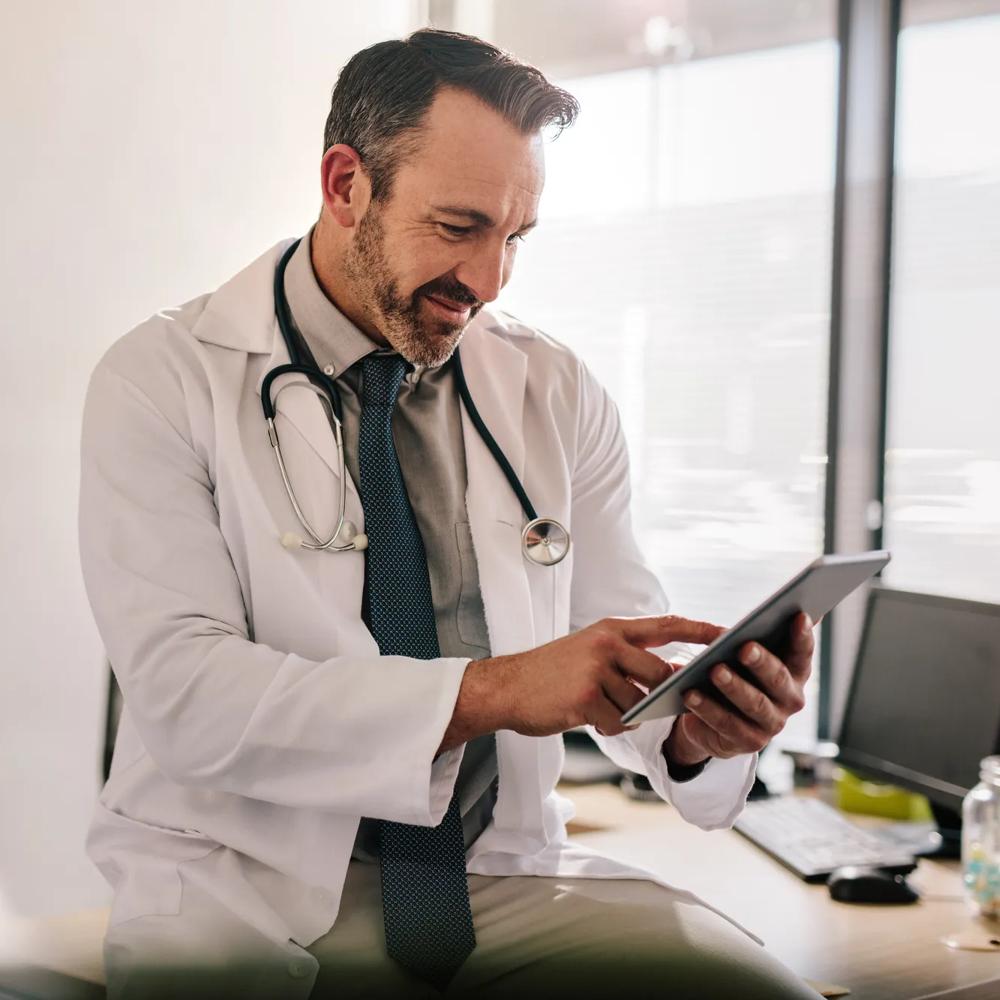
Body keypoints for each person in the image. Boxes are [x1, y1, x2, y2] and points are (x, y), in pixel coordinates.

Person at [79, 28, 820, 1000]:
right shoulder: (163, 379)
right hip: (233, 888)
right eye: (459, 225)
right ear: (346, 184)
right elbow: (188, 699)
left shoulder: (551, 390)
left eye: (515, 237)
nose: (488, 280)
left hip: (491, 882)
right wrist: (500, 689)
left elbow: (621, 645)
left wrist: (694, 727)